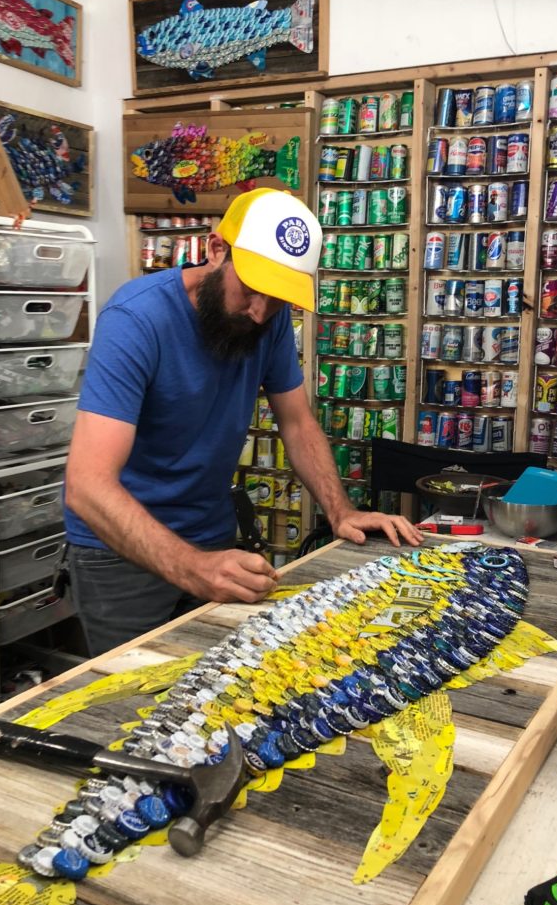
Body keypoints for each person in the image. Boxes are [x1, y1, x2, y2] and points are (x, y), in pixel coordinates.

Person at [64, 188, 422, 655]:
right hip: (121, 551)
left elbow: (296, 422)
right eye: (251, 289)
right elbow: (87, 485)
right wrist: (192, 567)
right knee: (133, 702)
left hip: (210, 534)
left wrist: (341, 511)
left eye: (276, 299)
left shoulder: (265, 319)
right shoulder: (136, 318)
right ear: (216, 250)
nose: (259, 312)